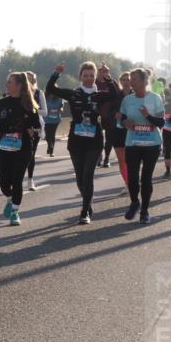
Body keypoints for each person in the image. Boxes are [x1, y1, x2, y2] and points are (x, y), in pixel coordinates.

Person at [46, 61, 121, 225]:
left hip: (94, 139)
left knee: (88, 176)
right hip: (76, 139)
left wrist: (107, 77)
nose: (88, 78)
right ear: (80, 76)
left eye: (92, 75)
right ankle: (88, 203)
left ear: (96, 77)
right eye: (85, 75)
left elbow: (116, 94)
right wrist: (56, 73)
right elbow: (52, 89)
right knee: (80, 178)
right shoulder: (73, 94)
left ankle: (84, 211)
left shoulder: (99, 94)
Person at [0, 72, 41, 226]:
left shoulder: (29, 105)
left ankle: (15, 212)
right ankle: (10, 198)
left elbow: (37, 126)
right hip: (4, 147)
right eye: (7, 82)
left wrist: (33, 131)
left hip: (23, 148)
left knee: (17, 180)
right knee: (4, 183)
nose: (6, 85)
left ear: (19, 85)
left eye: (10, 82)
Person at [119, 68, 165, 224]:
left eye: (134, 79)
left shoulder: (155, 98)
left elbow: (161, 123)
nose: (130, 81)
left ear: (145, 81)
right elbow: (122, 119)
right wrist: (125, 122)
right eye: (130, 79)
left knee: (146, 178)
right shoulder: (128, 100)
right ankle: (134, 202)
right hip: (133, 142)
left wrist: (148, 116)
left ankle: (144, 211)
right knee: (132, 178)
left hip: (152, 144)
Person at [24, 71, 48, 191]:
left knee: (31, 153)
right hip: (21, 126)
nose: (27, 82)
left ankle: (30, 180)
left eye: (29, 79)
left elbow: (44, 111)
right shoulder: (19, 94)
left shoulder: (39, 93)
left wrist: (32, 111)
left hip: (35, 126)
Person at [44, 92, 64, 156]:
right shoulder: (45, 97)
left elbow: (62, 106)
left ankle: (51, 150)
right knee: (47, 135)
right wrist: (47, 110)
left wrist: (60, 109)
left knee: (52, 134)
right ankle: (50, 145)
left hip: (56, 119)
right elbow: (41, 106)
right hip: (46, 119)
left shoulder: (60, 97)